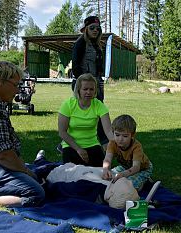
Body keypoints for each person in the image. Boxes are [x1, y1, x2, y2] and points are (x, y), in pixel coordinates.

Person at [0, 61, 45, 207]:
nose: (17, 90)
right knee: (36, 193)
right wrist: (28, 173)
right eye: (15, 85)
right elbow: (3, 155)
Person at [58, 73, 113, 167]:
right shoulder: (68, 105)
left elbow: (108, 131)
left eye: (91, 89)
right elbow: (62, 132)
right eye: (85, 89)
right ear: (78, 90)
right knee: (72, 174)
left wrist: (119, 144)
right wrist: (78, 149)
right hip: (71, 145)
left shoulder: (98, 105)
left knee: (99, 173)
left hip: (92, 145)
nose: (88, 92)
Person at [72, 15, 108, 147]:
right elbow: (75, 66)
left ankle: (104, 140)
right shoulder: (80, 43)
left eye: (98, 29)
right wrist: (84, 83)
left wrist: (99, 80)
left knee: (99, 111)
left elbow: (98, 65)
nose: (95, 31)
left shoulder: (97, 45)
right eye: (92, 28)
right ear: (85, 29)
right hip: (83, 83)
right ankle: (104, 140)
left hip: (97, 82)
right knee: (81, 113)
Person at [102, 114, 153, 191]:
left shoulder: (136, 146)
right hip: (125, 167)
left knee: (131, 185)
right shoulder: (112, 143)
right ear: (113, 132)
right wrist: (106, 169)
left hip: (143, 168)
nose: (120, 139)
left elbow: (136, 167)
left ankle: (145, 181)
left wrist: (123, 174)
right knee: (110, 176)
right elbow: (107, 159)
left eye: (125, 136)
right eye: (117, 135)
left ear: (132, 135)